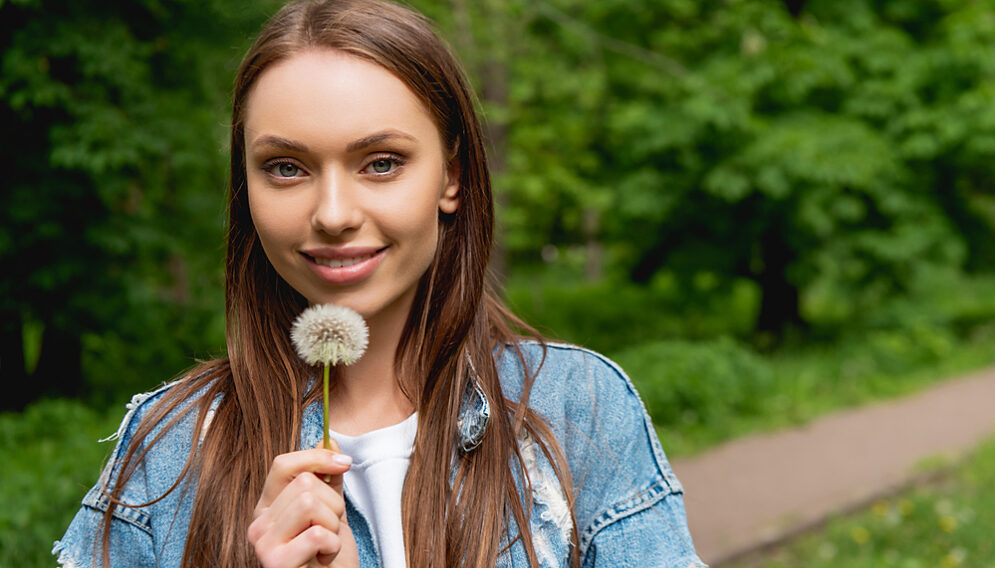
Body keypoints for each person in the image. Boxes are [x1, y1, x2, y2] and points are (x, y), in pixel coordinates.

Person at [53, 1, 705, 567]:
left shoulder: (579, 415)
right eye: (285, 167)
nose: (333, 213)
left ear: (450, 177)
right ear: (243, 185)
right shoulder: (169, 447)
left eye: (381, 163)